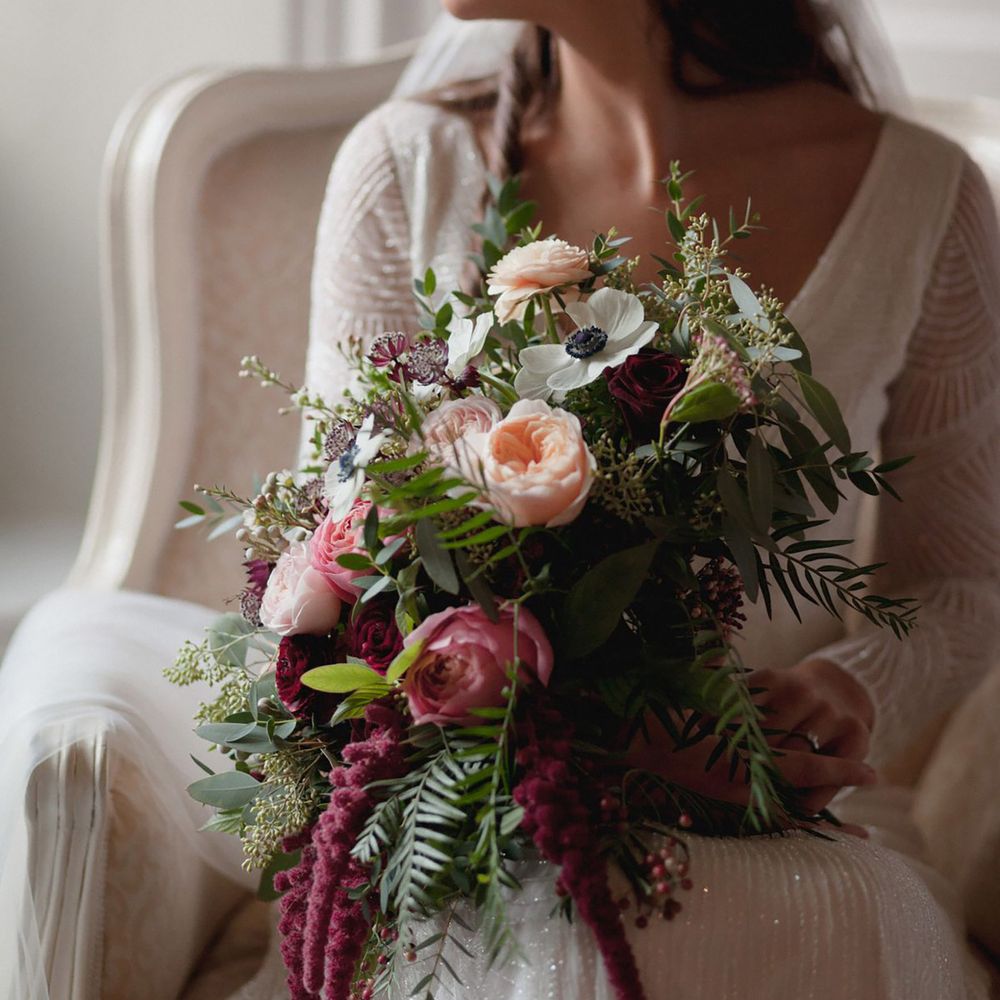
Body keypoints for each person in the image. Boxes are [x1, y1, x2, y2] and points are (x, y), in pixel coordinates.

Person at [0, 2, 996, 998]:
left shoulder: (921, 195)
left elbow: (966, 581)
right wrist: (618, 737)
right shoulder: (409, 168)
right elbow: (338, 551)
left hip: (780, 818)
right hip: (484, 810)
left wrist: (850, 688)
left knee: (809, 934)